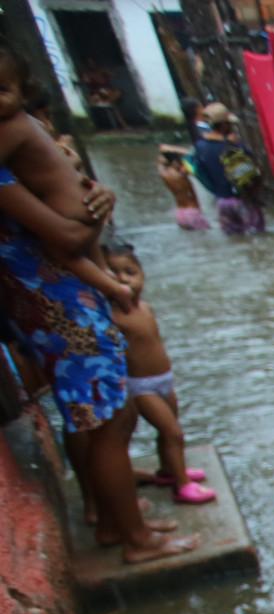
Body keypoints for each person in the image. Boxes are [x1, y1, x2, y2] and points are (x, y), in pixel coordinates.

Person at [0, 151, 196, 562]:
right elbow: (69, 242)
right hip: (62, 306)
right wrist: (96, 215)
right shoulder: (10, 182)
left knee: (98, 417)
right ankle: (134, 539)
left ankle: (115, 523)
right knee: (108, 420)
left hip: (56, 306)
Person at [0, 48, 133, 312]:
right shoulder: (31, 125)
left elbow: (69, 240)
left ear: (23, 94)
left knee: (64, 254)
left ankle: (114, 287)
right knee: (79, 253)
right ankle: (108, 278)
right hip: (79, 205)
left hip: (68, 213)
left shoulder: (11, 128)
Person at [104, 241, 213, 504]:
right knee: (173, 433)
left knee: (168, 432)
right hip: (140, 386)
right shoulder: (112, 315)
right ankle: (182, 486)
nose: (123, 279)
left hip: (163, 380)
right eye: (113, 273)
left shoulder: (146, 308)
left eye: (130, 272)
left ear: (142, 274)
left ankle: (169, 471)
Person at [194, 104, 265, 236]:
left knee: (234, 239)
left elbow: (201, 171)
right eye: (229, 124)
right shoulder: (236, 149)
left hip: (222, 203)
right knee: (257, 236)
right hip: (242, 201)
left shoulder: (200, 146)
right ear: (224, 125)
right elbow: (253, 175)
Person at [157, 149, 208, 230]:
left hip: (179, 213)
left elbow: (160, 164)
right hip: (192, 211)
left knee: (189, 238)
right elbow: (193, 158)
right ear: (175, 162)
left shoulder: (164, 174)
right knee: (203, 236)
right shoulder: (182, 175)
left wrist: (164, 154)